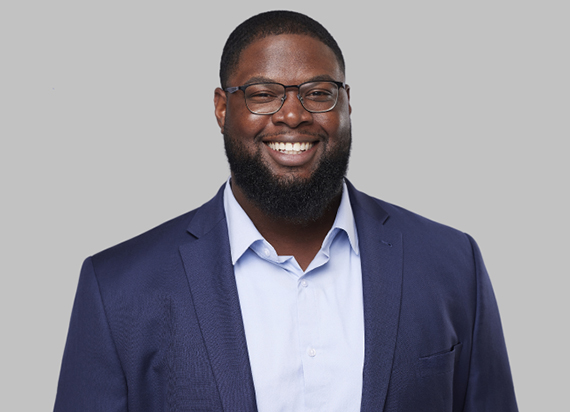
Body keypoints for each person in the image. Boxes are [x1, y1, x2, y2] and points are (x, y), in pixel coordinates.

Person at [54, 10, 518, 412]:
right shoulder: (117, 289)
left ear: (347, 103)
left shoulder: (451, 264)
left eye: (318, 92)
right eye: (262, 93)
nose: (293, 115)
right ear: (222, 108)